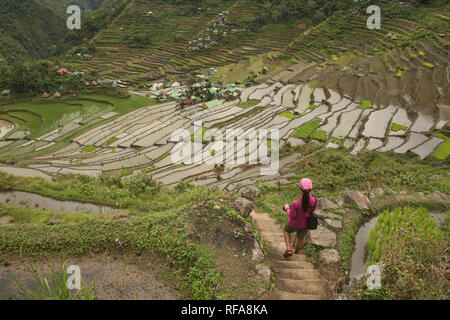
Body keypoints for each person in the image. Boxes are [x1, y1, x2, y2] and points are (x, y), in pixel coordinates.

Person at [282, 178, 318, 257]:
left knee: (286, 230)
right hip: (305, 224)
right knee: (301, 238)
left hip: (294, 224)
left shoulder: (296, 203)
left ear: (300, 188)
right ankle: (296, 252)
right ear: (311, 188)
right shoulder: (315, 201)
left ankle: (288, 249)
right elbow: (311, 210)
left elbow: (291, 216)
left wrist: (287, 208)